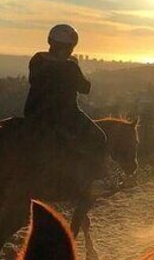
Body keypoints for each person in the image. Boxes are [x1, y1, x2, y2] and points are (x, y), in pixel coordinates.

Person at [24, 24, 107, 160]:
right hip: (65, 115)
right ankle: (93, 176)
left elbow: (33, 80)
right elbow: (85, 88)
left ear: (50, 41)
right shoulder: (70, 66)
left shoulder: (37, 59)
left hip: (33, 112)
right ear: (70, 47)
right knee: (99, 138)